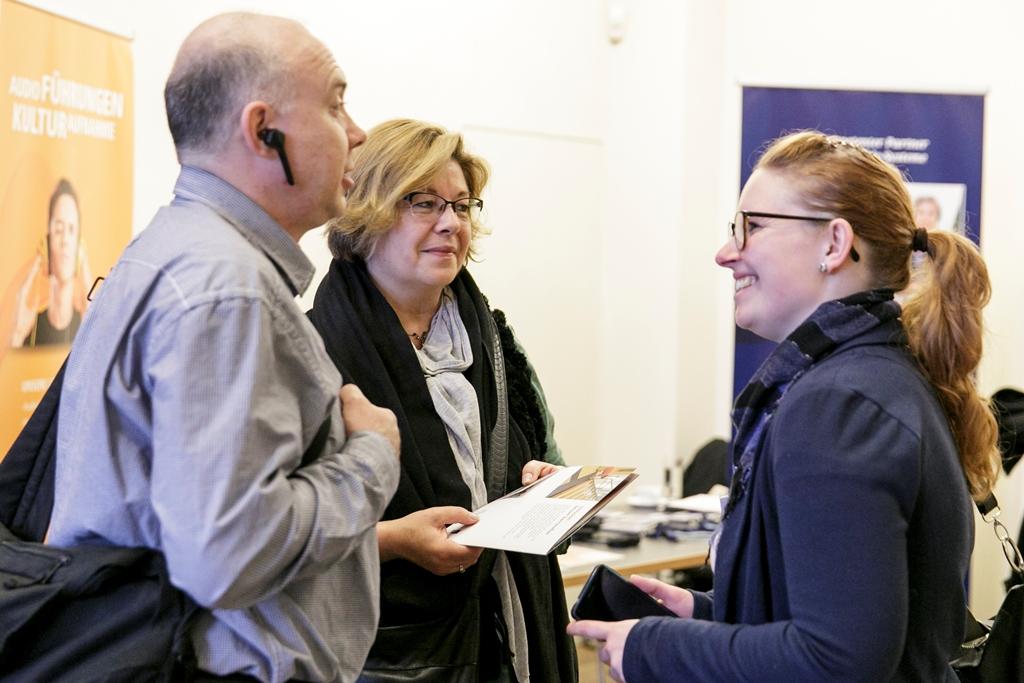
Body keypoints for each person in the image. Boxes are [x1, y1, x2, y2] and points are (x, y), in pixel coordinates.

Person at [569, 130, 999, 681]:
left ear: (833, 244)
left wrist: (653, 646)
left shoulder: (839, 404)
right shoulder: (866, 381)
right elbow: (839, 621)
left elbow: (838, 660)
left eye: (753, 226)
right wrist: (701, 615)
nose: (726, 253)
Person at [47, 12, 401, 683]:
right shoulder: (227, 290)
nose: (356, 132)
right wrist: (373, 457)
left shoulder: (171, 251)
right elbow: (228, 554)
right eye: (335, 103)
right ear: (262, 131)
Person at [307, 118, 577, 682]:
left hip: (511, 631)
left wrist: (537, 489)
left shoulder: (495, 341)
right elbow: (267, 536)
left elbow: (542, 453)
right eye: (424, 203)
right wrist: (395, 542)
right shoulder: (309, 354)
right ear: (368, 211)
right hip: (378, 655)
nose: (451, 223)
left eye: (462, 205)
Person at [10, 178, 91, 347]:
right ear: (46, 242)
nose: (65, 241)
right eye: (59, 230)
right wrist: (17, 335)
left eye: (71, 230)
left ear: (79, 246)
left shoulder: (87, 323)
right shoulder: (28, 328)